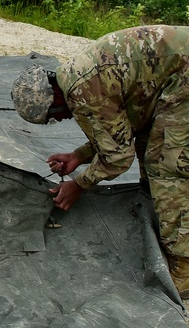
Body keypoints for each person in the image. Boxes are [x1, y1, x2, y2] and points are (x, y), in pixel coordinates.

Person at [11, 25, 189, 298]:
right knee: (148, 142)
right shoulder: (72, 77)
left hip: (184, 74)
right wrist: (78, 156)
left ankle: (184, 267)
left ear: (53, 98)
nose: (58, 120)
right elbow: (124, 129)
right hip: (175, 74)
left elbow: (118, 158)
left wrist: (79, 184)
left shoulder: (83, 92)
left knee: (166, 164)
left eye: (52, 115)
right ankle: (161, 213)